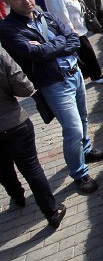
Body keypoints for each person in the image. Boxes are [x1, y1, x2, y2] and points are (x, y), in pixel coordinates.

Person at [0, 0, 103, 194]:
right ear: (6, 1)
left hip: (74, 73)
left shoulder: (44, 15)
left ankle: (85, 151)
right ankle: (79, 173)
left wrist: (50, 46)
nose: (26, 1)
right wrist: (58, 43)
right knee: (73, 129)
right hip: (53, 82)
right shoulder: (8, 28)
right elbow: (36, 54)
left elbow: (74, 39)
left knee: (83, 118)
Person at [0, 49, 66, 228]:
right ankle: (52, 212)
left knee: (3, 168)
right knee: (31, 168)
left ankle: (17, 197)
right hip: (12, 122)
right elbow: (25, 88)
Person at [44, 0, 103, 82]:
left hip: (76, 26)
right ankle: (96, 75)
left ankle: (86, 72)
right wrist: (71, 29)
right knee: (87, 51)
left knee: (81, 52)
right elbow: (60, 13)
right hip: (72, 29)